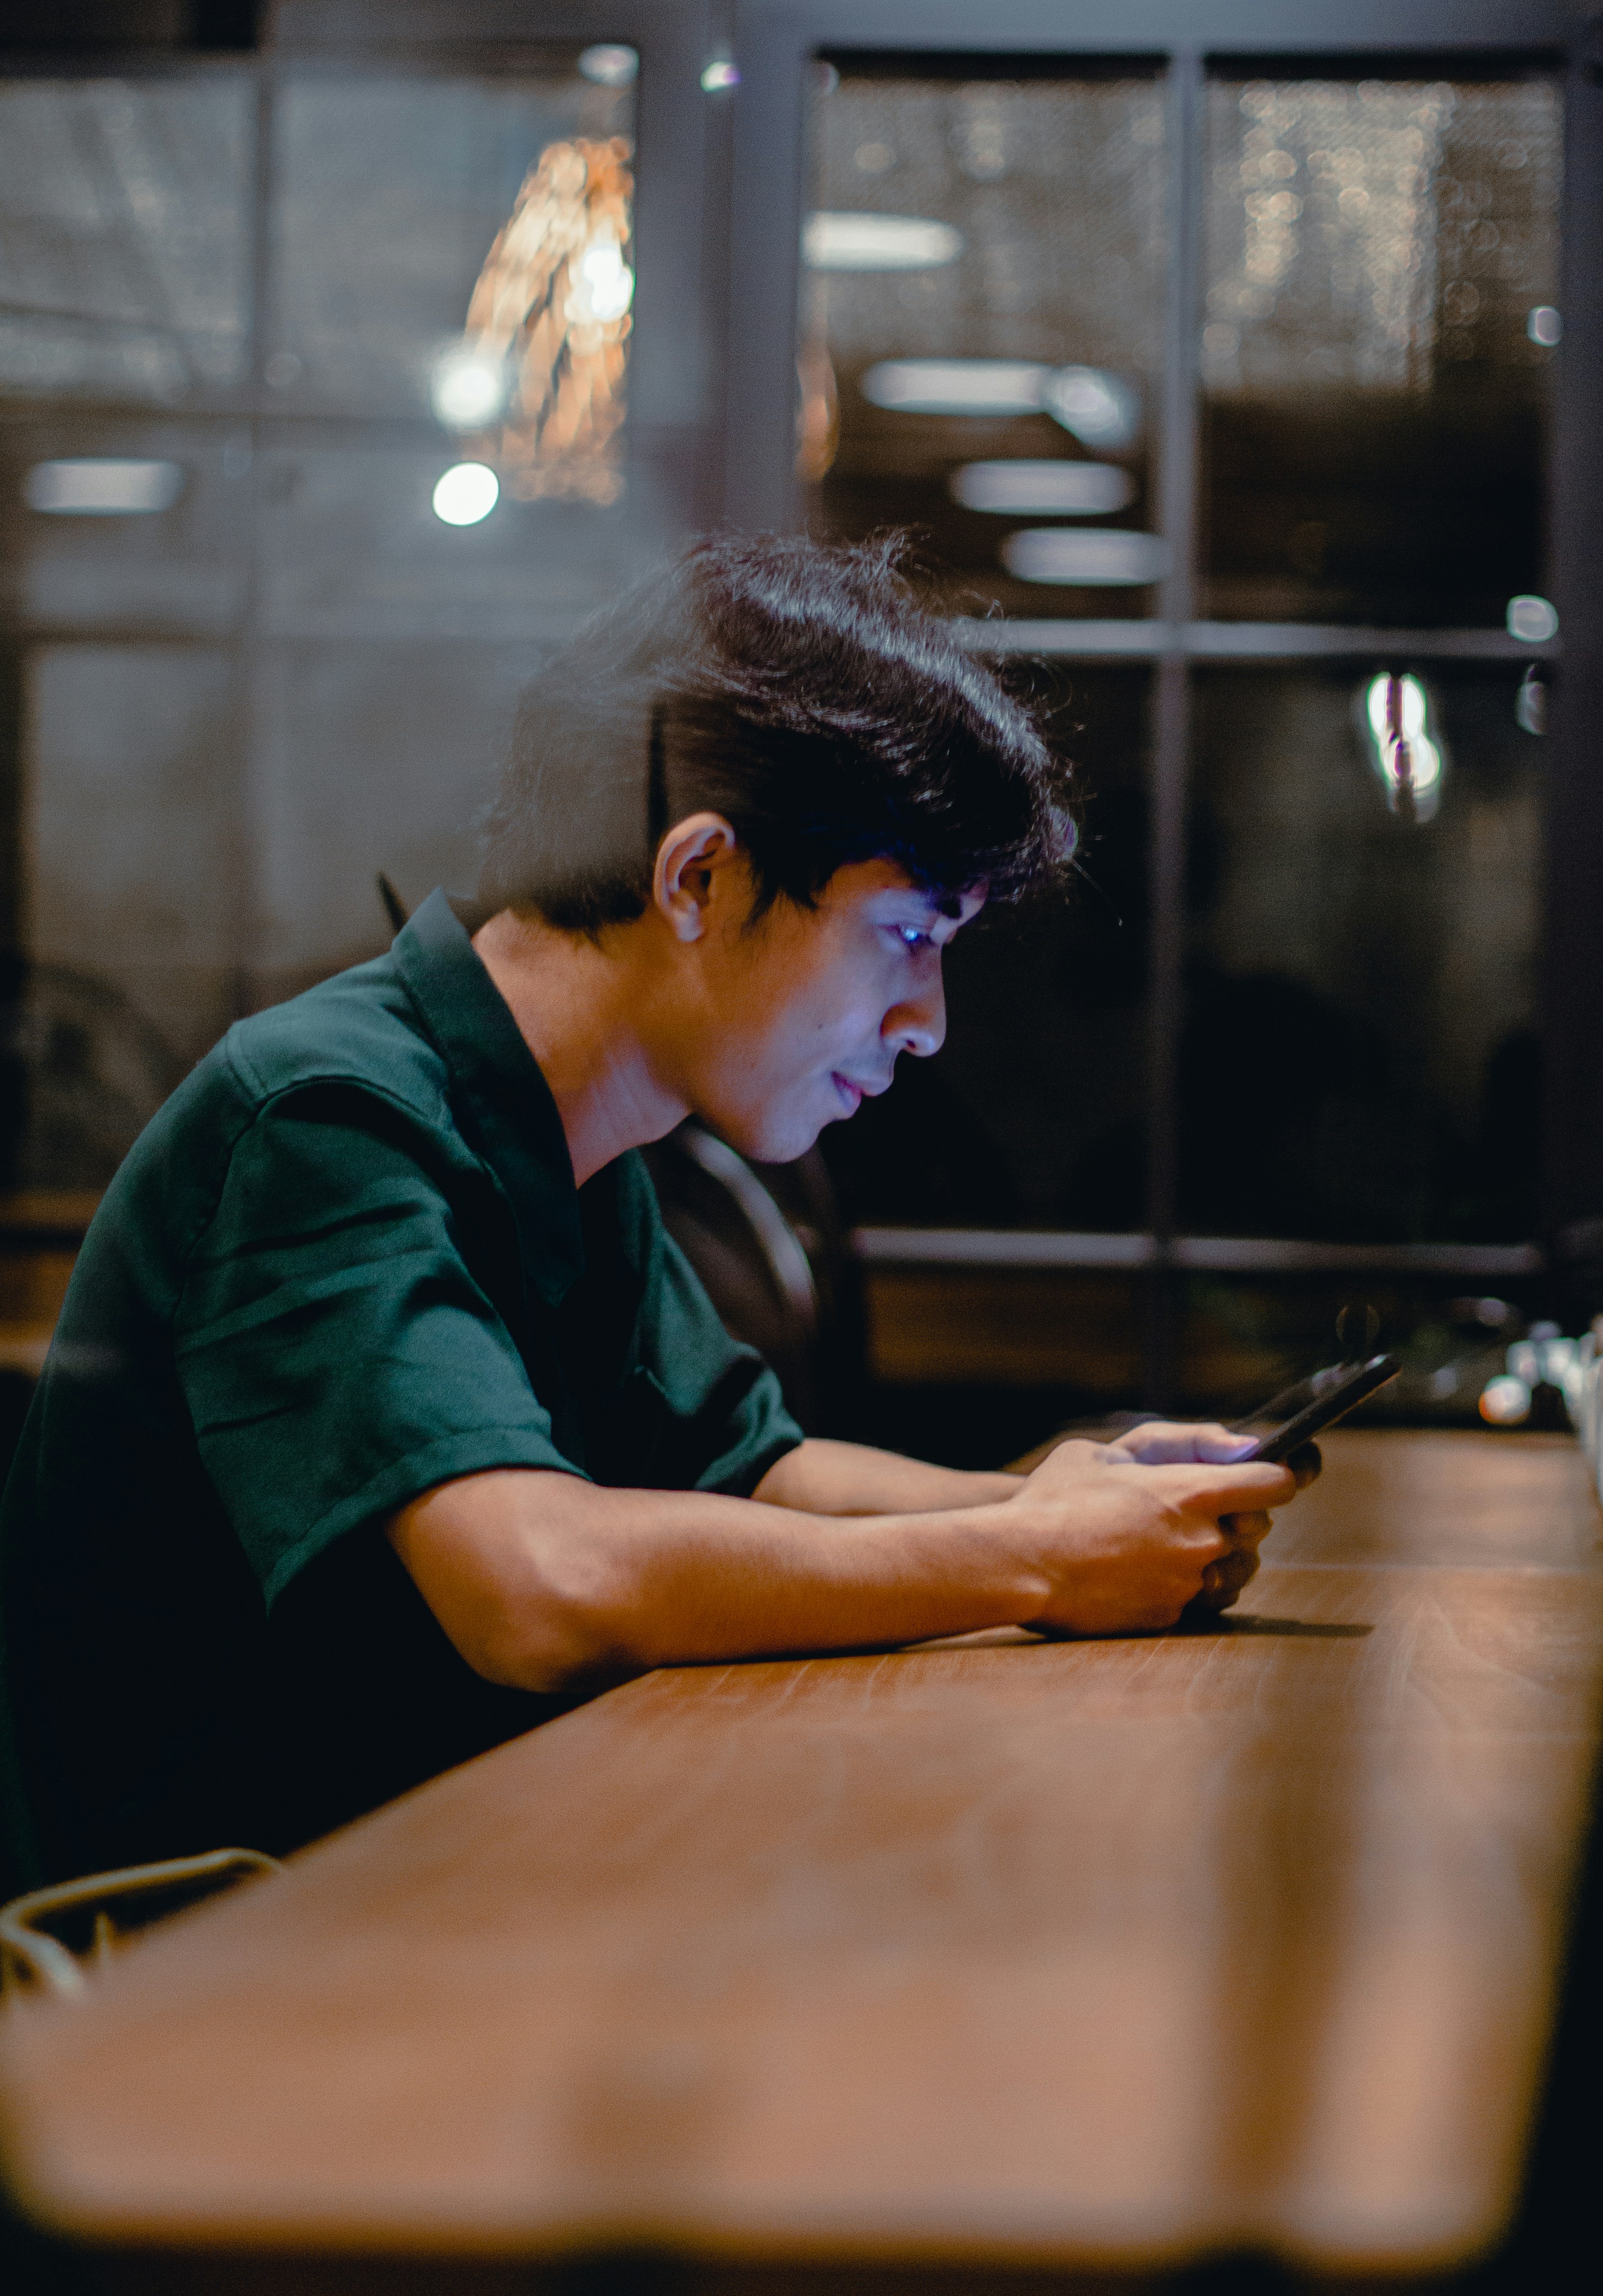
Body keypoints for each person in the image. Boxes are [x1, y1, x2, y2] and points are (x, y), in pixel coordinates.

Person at [0, 537, 1299, 1890]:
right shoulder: (324, 1117)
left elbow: (760, 1471)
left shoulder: (575, 1141)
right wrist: (1027, 1560)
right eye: (909, 934)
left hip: (430, 1890)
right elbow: (535, 1587)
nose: (929, 1026)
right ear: (699, 878)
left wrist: (1071, 1501)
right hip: (189, 1987)